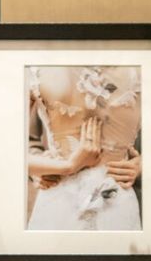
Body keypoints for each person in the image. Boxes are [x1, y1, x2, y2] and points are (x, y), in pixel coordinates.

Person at [26, 66, 143, 231]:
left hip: (113, 197)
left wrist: (142, 164)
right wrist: (49, 167)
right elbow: (13, 148)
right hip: (59, 195)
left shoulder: (142, 66)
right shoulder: (37, 67)